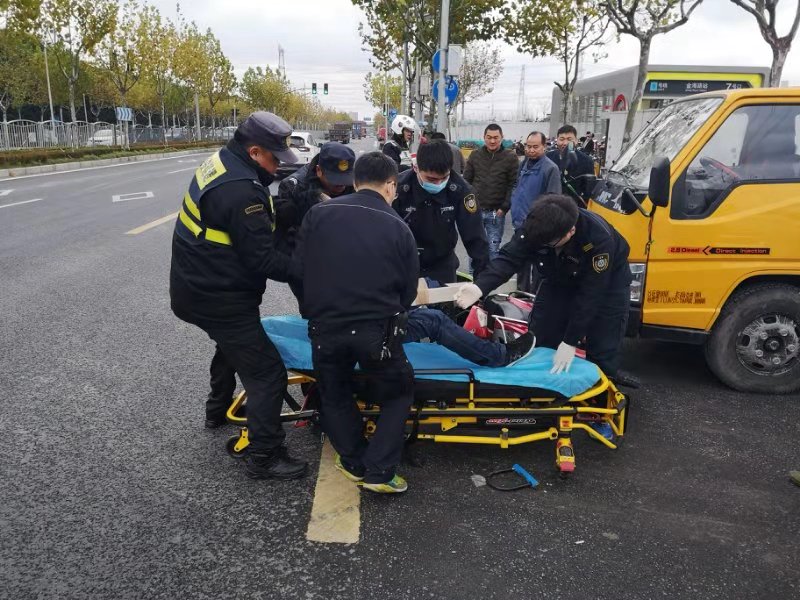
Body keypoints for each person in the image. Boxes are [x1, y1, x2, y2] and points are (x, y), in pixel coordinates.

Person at [169, 111, 307, 480]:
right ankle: (264, 456)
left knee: (232, 345)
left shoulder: (224, 162)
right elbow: (264, 259)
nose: (278, 167)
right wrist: (313, 269)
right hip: (217, 296)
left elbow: (239, 222)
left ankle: (217, 410)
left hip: (196, 285)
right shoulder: (242, 191)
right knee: (267, 372)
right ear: (254, 151)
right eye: (274, 159)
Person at [294, 152, 417, 493]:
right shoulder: (398, 226)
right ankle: (379, 471)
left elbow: (298, 270)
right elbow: (407, 291)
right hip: (375, 330)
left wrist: (313, 308)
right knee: (398, 392)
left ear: (355, 181)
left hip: (325, 326)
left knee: (334, 392)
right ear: (390, 185)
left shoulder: (318, 214)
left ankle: (353, 460)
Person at [454, 194, 632, 381]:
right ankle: (543, 387)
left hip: (607, 284)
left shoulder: (597, 238)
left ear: (570, 231)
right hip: (559, 277)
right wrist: (479, 287)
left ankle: (601, 389)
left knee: (603, 345)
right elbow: (509, 258)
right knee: (541, 335)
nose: (544, 246)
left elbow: (591, 295)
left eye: (549, 243)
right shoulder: (536, 226)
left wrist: (570, 341)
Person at [393, 139, 490, 283]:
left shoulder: (461, 190)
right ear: (416, 168)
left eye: (444, 178)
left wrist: (482, 284)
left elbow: (476, 238)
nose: (438, 183)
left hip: (442, 264)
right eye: (431, 179)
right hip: (404, 263)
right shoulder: (398, 188)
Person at [275, 142, 355, 258]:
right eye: (335, 180)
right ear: (319, 170)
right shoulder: (293, 187)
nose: (341, 185)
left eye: (345, 179)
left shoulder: (355, 184)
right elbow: (286, 238)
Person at [510, 132, 562, 291]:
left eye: (535, 147)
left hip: (539, 227)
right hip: (520, 224)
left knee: (539, 268)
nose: (531, 150)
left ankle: (536, 297)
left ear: (544, 147)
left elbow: (554, 200)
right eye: (528, 146)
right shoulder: (523, 164)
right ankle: (521, 295)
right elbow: (517, 186)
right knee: (521, 263)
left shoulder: (550, 168)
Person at [463, 124, 519, 261]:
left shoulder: (510, 157)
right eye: (489, 137)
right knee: (474, 249)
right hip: (475, 211)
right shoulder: (475, 155)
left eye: (496, 137)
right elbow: (466, 182)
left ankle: (491, 275)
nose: (492, 141)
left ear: (502, 138)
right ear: (484, 137)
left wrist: (504, 208)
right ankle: (474, 274)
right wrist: (468, 206)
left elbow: (513, 184)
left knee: (493, 250)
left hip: (496, 213)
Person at [546, 124, 596, 205]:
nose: (565, 143)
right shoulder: (548, 157)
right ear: (557, 140)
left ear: (576, 141)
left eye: (569, 139)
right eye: (561, 139)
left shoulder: (587, 161)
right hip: (551, 205)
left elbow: (588, 191)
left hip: (575, 207)